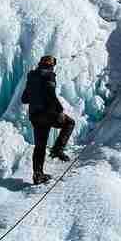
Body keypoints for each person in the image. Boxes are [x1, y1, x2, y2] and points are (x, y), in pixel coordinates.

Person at [21, 55, 75, 186]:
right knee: (69, 123)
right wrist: (59, 108)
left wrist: (35, 96)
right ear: (51, 65)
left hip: (35, 116)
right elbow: (50, 93)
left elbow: (24, 98)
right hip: (49, 113)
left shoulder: (32, 77)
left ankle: (38, 175)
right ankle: (58, 149)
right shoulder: (49, 75)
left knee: (40, 146)